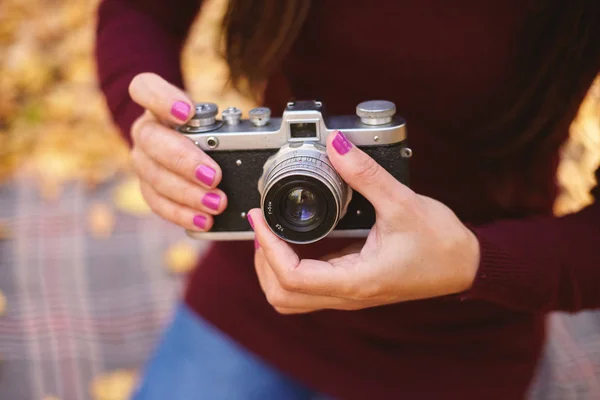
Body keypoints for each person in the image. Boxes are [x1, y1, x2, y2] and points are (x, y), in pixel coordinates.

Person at [94, 0, 600, 398]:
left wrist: (476, 260)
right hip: (260, 272)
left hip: (463, 331)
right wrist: (153, 124)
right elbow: (141, 9)